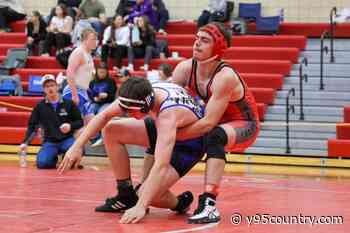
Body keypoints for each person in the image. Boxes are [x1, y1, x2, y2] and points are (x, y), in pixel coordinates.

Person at [141, 22, 260, 224]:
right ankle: (136, 190)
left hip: (242, 123)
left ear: (218, 48)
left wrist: (172, 135)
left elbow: (207, 124)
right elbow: (165, 107)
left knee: (215, 136)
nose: (196, 44)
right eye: (196, 38)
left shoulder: (225, 77)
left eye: (204, 41)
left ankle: (209, 204)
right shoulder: (185, 68)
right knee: (155, 125)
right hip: (211, 119)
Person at [58, 77, 206, 224]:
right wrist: (77, 146)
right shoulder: (139, 93)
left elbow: (161, 165)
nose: (127, 114)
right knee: (111, 130)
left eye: (130, 111)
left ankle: (180, 203)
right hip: (165, 128)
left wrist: (141, 206)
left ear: (144, 107)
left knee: (147, 195)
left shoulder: (167, 115)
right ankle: (125, 194)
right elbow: (103, 116)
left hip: (190, 142)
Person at [19, 74, 83, 169]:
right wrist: (25, 142)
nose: (50, 88)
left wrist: (70, 126)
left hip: (67, 140)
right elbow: (32, 126)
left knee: (74, 156)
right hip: (50, 142)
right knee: (43, 163)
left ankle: (66, 156)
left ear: (57, 86)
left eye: (52, 85)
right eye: (47, 86)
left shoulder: (69, 103)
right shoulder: (39, 106)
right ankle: (53, 158)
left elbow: (80, 122)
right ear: (44, 89)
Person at [63, 28, 97, 119]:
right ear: (85, 40)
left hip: (83, 91)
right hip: (74, 91)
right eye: (93, 39)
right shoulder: (79, 52)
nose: (96, 42)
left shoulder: (88, 54)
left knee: (90, 123)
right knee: (77, 124)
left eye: (96, 39)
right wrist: (74, 95)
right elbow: (69, 73)